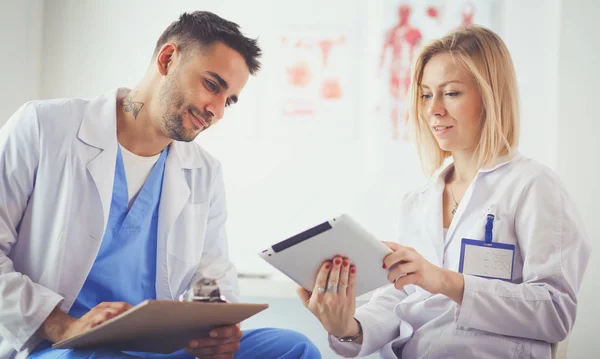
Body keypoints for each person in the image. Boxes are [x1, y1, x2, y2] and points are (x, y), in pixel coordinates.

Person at [0, 11, 320, 359]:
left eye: (228, 100)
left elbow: (211, 275)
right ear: (167, 59)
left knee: (293, 348)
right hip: (58, 345)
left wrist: (219, 330)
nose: (217, 111)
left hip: (155, 349)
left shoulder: (203, 172)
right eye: (212, 85)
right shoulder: (43, 127)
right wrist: (61, 324)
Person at [298, 25, 591, 358]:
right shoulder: (419, 201)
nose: (433, 109)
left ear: (490, 96)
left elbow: (555, 313)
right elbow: (400, 298)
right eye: (425, 94)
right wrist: (347, 327)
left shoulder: (533, 187)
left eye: (451, 93)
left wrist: (446, 282)